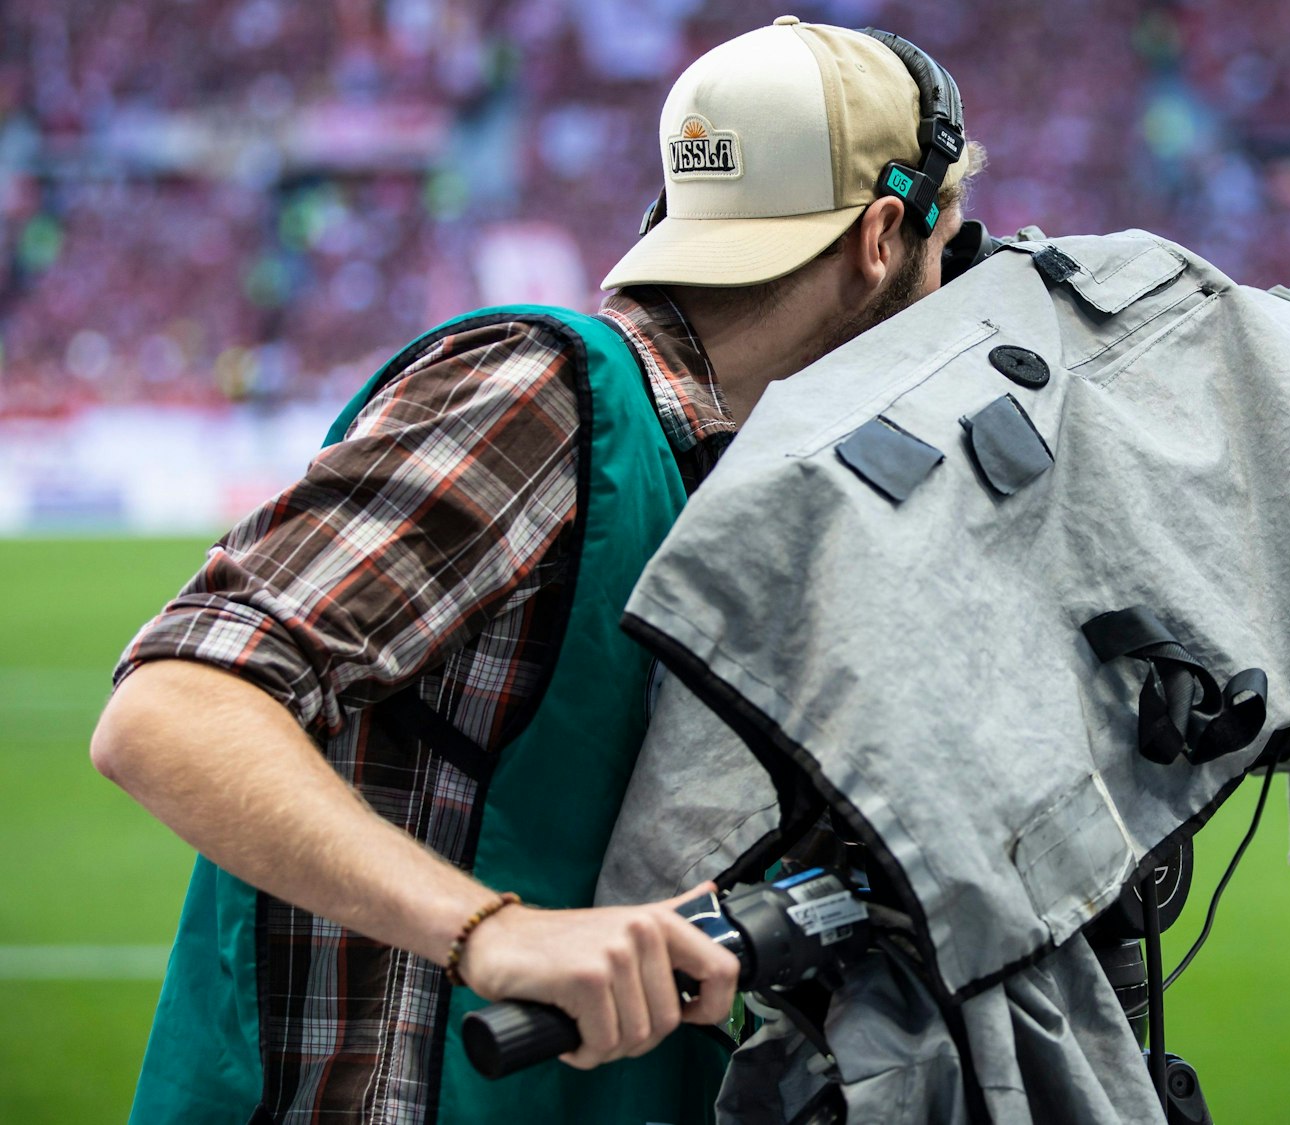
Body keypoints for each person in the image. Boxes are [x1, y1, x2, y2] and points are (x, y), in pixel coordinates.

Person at [88, 17, 978, 1123]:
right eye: (950, 246)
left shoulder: (704, 470)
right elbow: (173, 705)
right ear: (883, 235)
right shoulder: (548, 395)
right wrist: (495, 934)